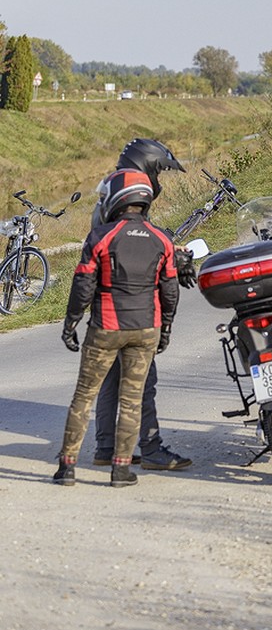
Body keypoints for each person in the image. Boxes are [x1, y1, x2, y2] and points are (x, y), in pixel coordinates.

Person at [53, 169, 180, 488]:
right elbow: (170, 290)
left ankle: (67, 468)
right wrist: (165, 329)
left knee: (84, 396)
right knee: (132, 400)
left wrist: (71, 323)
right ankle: (121, 470)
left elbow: (83, 285)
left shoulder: (101, 236)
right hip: (145, 330)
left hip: (106, 328)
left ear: (116, 198)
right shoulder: (161, 238)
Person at [91, 138, 192, 471]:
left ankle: (106, 446)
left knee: (111, 376)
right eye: (158, 171)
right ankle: (151, 449)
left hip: (105, 305)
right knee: (143, 377)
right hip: (130, 307)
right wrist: (172, 259)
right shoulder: (122, 198)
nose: (159, 179)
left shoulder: (114, 193)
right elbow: (132, 247)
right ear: (145, 167)